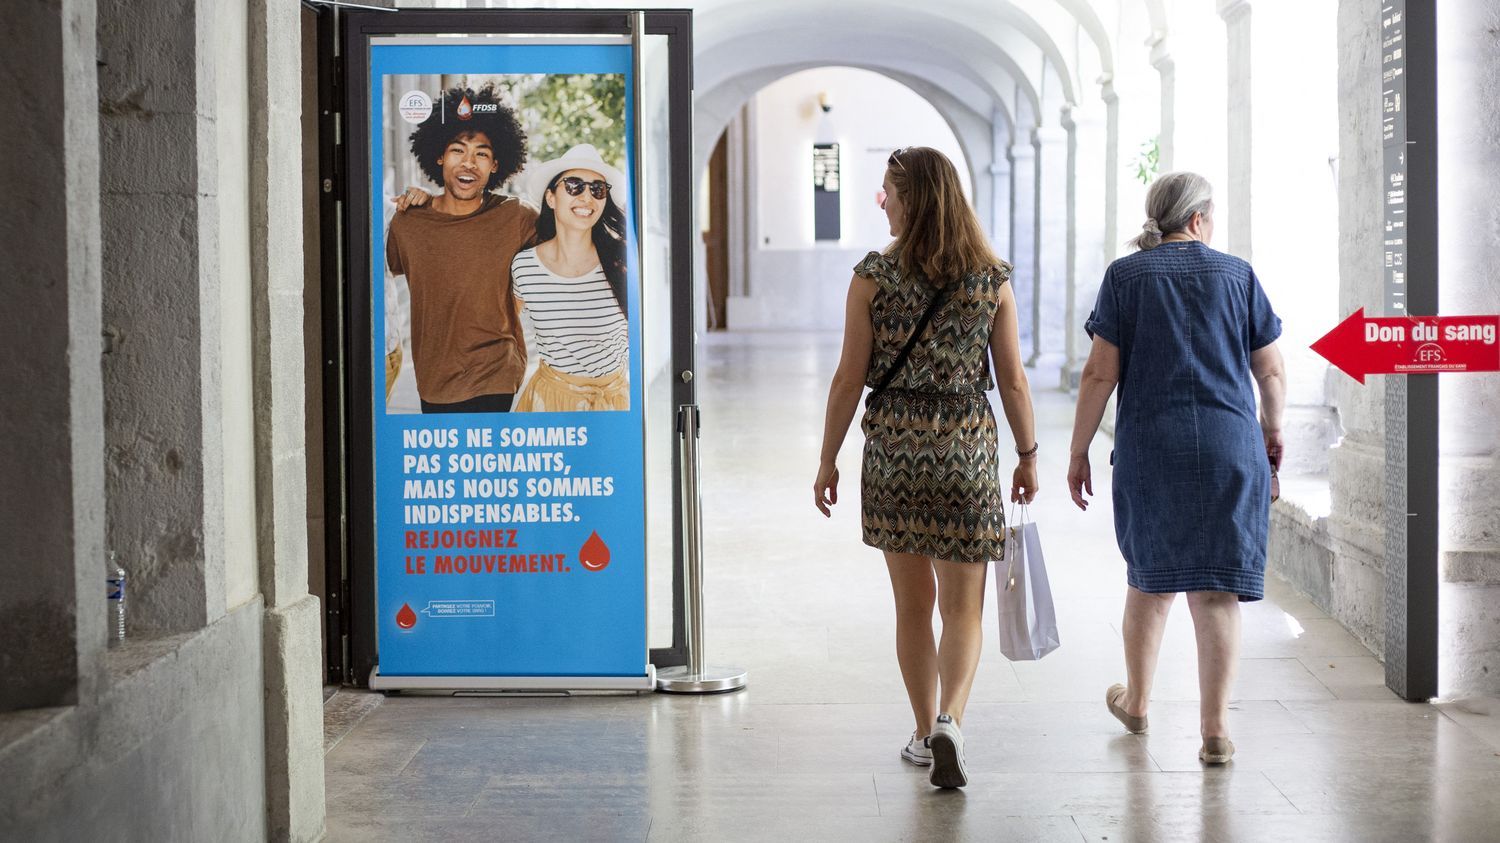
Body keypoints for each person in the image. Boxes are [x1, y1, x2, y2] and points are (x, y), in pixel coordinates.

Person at [814, 146, 1038, 790]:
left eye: (888, 190)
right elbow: (1014, 381)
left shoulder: (871, 276)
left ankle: (919, 733)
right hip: (966, 449)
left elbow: (847, 379)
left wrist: (828, 459)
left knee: (913, 606)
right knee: (963, 609)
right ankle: (951, 720)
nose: (881, 201)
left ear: (913, 199)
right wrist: (1028, 455)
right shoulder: (991, 277)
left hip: (893, 452)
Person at [1066, 171, 1286, 766]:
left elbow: (1098, 375)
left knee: (1150, 581)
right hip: (1229, 447)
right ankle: (1215, 732)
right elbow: (1269, 370)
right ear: (1198, 220)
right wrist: (1272, 431)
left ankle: (1137, 704)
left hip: (1151, 448)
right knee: (1216, 593)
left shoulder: (1125, 276)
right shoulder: (1237, 275)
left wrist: (1078, 448)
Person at [385, 83, 537, 414]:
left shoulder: (516, 216)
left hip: (496, 371)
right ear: (439, 155)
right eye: (458, 150)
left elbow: (563, 253)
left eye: (481, 154)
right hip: (433, 378)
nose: (469, 163)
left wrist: (512, 304)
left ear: (496, 164)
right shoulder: (408, 222)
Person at [509, 144, 631, 412]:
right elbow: (505, 332)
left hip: (613, 405)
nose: (587, 197)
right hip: (549, 405)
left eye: (597, 189)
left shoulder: (623, 262)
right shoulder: (524, 267)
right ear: (551, 198)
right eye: (574, 185)